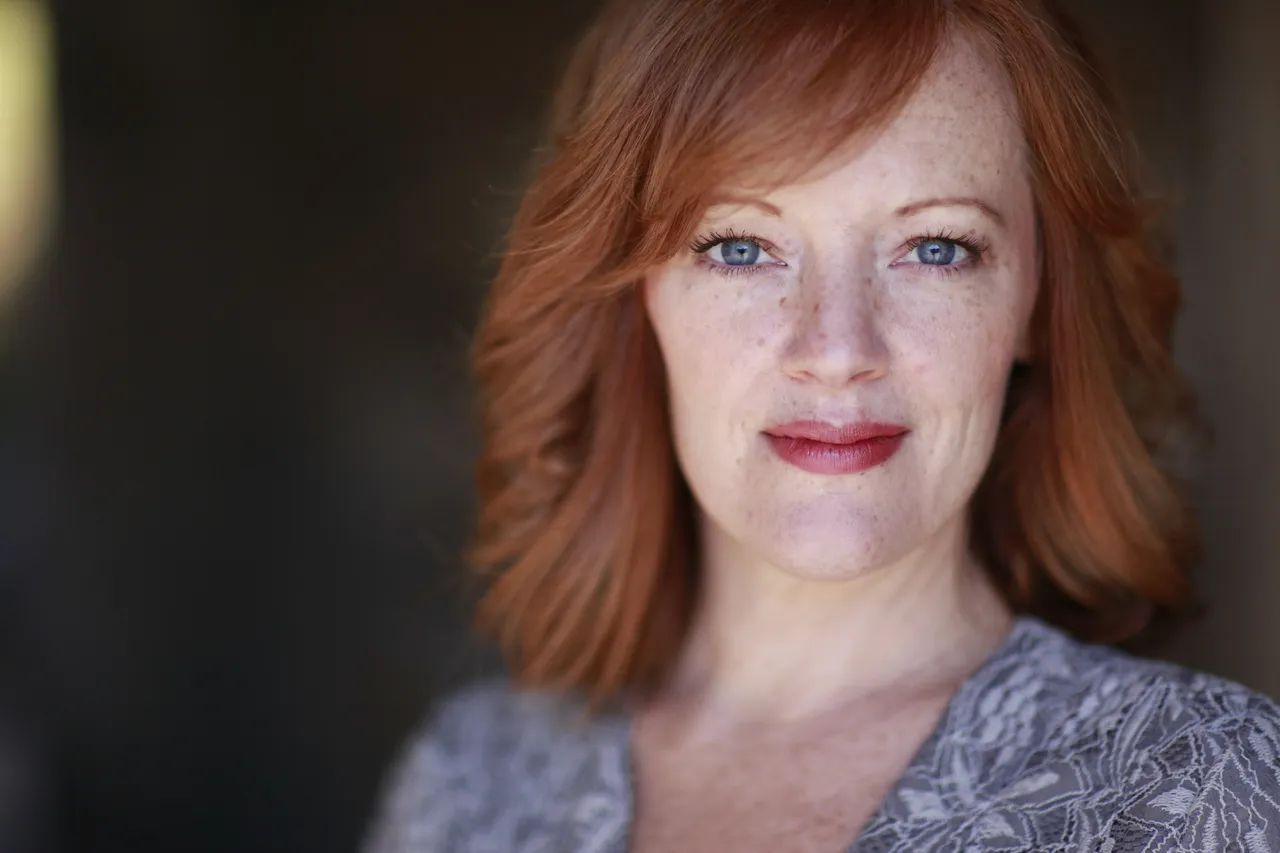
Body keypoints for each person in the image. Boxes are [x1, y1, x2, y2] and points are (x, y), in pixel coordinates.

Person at [365, 0, 1280, 850]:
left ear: (1039, 301)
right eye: (738, 247)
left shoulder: (1198, 789)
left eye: (936, 247)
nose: (837, 348)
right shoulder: (469, 785)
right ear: (634, 299)